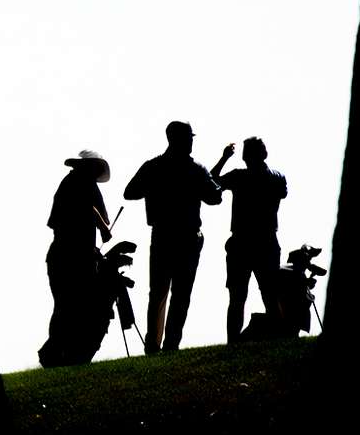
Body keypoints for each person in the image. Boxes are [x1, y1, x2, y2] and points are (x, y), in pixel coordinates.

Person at [122, 121, 223, 353]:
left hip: (162, 235)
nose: (191, 141)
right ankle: (170, 345)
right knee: (181, 294)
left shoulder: (153, 166)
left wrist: (154, 189)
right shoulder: (196, 169)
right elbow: (214, 198)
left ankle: (153, 345)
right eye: (189, 137)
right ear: (177, 138)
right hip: (187, 237)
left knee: (158, 292)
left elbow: (130, 192)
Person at [40, 149, 114, 367]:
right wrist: (103, 228)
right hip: (74, 257)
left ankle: (59, 354)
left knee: (67, 306)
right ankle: (55, 354)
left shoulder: (73, 183)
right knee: (71, 306)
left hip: (64, 255)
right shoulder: (82, 183)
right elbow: (96, 213)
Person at [213, 136, 288, 344]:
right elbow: (282, 193)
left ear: (245, 156)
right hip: (267, 242)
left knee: (237, 298)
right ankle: (278, 339)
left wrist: (224, 158)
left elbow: (211, 181)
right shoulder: (277, 177)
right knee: (270, 295)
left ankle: (233, 343)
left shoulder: (238, 177)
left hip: (241, 242)